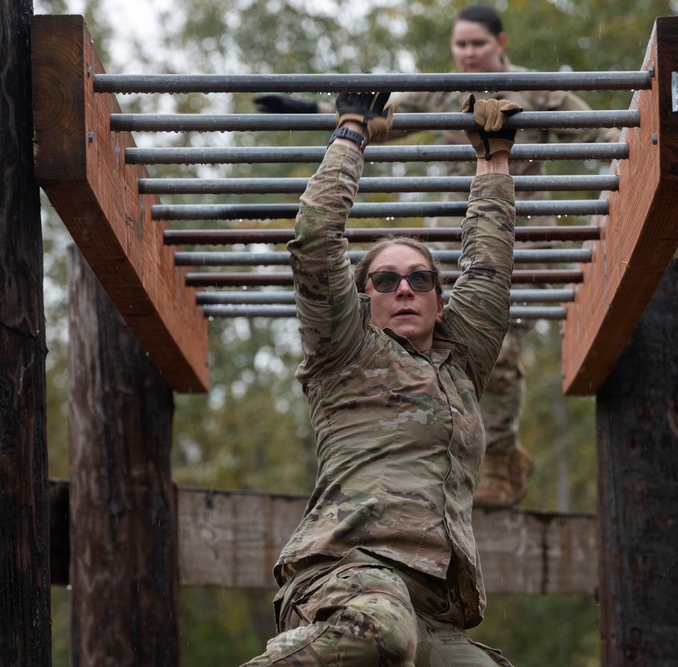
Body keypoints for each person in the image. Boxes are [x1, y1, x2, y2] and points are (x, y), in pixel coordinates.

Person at [255, 5, 619, 509]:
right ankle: (436, 448)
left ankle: (501, 454)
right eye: (460, 45)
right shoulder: (441, 91)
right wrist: (308, 113)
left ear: (501, 42)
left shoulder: (539, 93)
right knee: (429, 351)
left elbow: (605, 138)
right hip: (447, 245)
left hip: (518, 244)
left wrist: (640, 156)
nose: (467, 54)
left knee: (497, 350)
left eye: (477, 44)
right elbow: (381, 119)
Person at [241, 90, 521, 666]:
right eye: (387, 280)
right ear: (362, 299)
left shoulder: (461, 363)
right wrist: (351, 136)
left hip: (431, 603)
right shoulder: (344, 353)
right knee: (382, 633)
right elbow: (316, 245)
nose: (404, 289)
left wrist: (492, 162)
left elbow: (488, 270)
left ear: (441, 303)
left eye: (421, 280)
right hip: (347, 575)